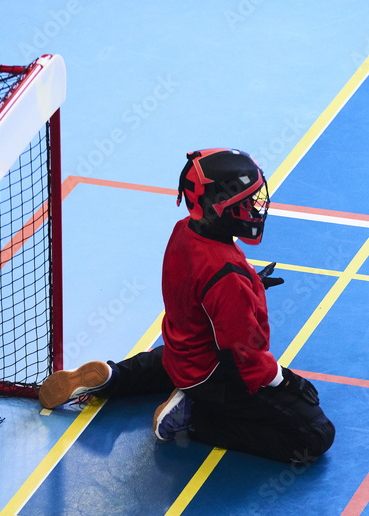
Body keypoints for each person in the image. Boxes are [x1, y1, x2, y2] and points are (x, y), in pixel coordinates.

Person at [39, 148, 334, 463]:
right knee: (315, 433)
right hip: (214, 372)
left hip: (183, 350)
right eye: (246, 201)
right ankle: (194, 417)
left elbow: (201, 291)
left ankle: (115, 376)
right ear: (224, 208)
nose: (255, 207)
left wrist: (249, 286)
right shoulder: (227, 277)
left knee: (170, 362)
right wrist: (285, 379)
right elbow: (243, 357)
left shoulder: (184, 231)